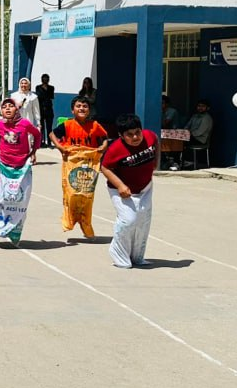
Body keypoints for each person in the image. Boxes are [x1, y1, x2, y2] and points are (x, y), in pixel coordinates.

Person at [100, 113, 159, 269]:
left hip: (145, 187)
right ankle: (117, 252)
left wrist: (156, 162)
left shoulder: (150, 137)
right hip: (121, 190)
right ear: (121, 136)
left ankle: (137, 256)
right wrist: (120, 185)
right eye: (129, 135)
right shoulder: (115, 150)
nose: (135, 137)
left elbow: (156, 143)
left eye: (137, 132)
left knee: (143, 222)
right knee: (129, 220)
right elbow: (104, 168)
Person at [0, 97, 41, 245]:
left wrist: (33, 152)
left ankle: (15, 231)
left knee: (19, 200)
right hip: (3, 167)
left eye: (11, 106)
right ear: (1, 111)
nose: (7, 109)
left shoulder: (25, 124)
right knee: (1, 198)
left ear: (17, 109)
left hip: (22, 168)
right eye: (4, 107)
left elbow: (37, 135)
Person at [51, 95, 110, 238]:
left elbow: (105, 139)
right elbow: (52, 134)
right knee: (71, 193)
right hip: (71, 164)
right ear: (72, 110)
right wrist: (60, 148)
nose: (81, 108)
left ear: (89, 110)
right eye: (78, 106)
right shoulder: (67, 125)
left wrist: (102, 147)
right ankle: (69, 220)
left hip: (89, 166)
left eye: (85, 106)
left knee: (87, 195)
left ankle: (85, 223)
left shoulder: (95, 126)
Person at [35, 74, 56, 148]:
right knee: (42, 127)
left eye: (47, 78)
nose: (45, 80)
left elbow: (51, 96)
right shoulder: (38, 87)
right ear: (41, 79)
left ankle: (50, 142)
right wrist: (44, 94)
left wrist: (45, 93)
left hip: (49, 109)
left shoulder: (51, 88)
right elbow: (39, 96)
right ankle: (41, 141)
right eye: (44, 78)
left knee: (49, 127)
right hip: (41, 109)